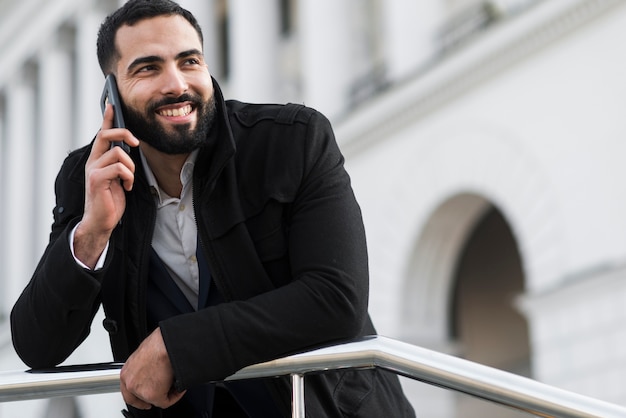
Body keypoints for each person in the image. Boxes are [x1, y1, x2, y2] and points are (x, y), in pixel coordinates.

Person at [10, 0, 416, 417]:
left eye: (189, 61)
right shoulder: (90, 177)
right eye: (148, 68)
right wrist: (93, 232)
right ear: (110, 96)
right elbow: (37, 345)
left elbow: (337, 300)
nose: (176, 84)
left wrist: (178, 346)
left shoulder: (293, 140)